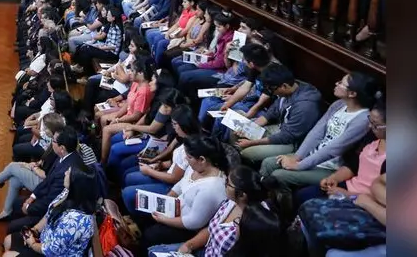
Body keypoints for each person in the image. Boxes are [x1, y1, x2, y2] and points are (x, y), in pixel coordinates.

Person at [261, 72, 380, 187]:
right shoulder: (338, 104)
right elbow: (316, 132)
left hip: (330, 167)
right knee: (269, 163)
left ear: (352, 93)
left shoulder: (363, 119)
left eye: (341, 83)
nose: (336, 84)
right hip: (310, 156)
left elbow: (335, 148)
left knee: (278, 175)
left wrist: (299, 165)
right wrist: (297, 157)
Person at [147, 165, 291, 256]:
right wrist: (189, 245)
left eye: (228, 183)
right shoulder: (231, 202)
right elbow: (211, 229)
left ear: (242, 195)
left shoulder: (255, 222)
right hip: (206, 250)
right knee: (153, 251)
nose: (224, 184)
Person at [138, 135, 229, 248]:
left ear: (202, 159)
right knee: (144, 216)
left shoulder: (211, 188)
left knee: (150, 235)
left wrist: (164, 219)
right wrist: (166, 199)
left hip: (186, 228)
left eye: (189, 157)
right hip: (174, 209)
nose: (186, 159)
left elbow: (193, 222)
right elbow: (180, 185)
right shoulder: (197, 167)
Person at [2, 166, 98, 257]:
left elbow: (51, 250)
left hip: (53, 253)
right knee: (7, 241)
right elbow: (49, 214)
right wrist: (34, 230)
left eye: (68, 173)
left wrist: (32, 243)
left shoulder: (75, 220)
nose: (65, 173)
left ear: (76, 183)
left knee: (7, 255)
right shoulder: (66, 193)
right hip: (45, 239)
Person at [237, 64, 323, 165]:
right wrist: (249, 127)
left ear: (284, 86)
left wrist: (251, 142)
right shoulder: (288, 90)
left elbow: (287, 136)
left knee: (247, 152)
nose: (272, 93)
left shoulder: (305, 106)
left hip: (292, 142)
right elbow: (271, 113)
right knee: (238, 127)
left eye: (272, 90)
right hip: (280, 129)